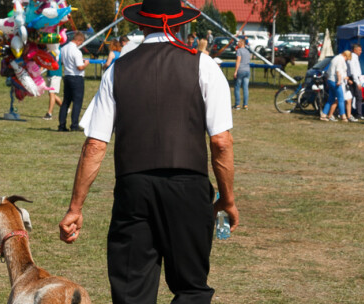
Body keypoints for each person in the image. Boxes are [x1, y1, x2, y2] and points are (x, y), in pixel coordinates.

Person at [58, 0, 238, 303]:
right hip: (188, 188)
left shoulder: (117, 69)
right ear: (180, 23)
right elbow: (221, 142)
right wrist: (227, 198)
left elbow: (95, 144)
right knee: (191, 288)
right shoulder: (204, 65)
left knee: (131, 291)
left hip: (134, 189)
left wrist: (75, 208)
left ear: (141, 24)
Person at [58, 31, 89, 132]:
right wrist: (86, 64)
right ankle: (74, 125)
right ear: (79, 40)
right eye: (81, 42)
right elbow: (79, 67)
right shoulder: (76, 51)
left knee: (66, 102)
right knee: (77, 102)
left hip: (67, 76)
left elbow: (62, 61)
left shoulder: (63, 49)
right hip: (76, 77)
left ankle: (62, 125)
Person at [320, 51, 352, 122]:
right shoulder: (340, 59)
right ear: (346, 56)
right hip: (335, 81)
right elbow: (338, 71)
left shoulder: (335, 58)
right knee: (341, 98)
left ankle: (323, 115)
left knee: (331, 99)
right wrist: (339, 81)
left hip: (330, 80)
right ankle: (343, 116)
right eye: (347, 59)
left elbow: (328, 71)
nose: (346, 60)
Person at [43, 52, 63, 120]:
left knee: (52, 93)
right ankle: (64, 108)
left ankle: (49, 114)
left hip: (56, 74)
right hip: (50, 73)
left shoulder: (57, 50)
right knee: (51, 94)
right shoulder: (49, 49)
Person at [234, 39, 251, 110]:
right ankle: (245, 105)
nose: (237, 44)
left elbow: (238, 61)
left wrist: (235, 71)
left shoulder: (239, 51)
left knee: (237, 87)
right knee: (245, 88)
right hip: (247, 70)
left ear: (241, 43)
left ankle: (237, 105)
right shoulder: (247, 51)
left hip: (241, 70)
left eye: (238, 43)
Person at [348, 44, 364, 120]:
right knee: (357, 96)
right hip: (353, 79)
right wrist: (357, 82)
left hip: (355, 78)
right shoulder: (352, 57)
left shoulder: (355, 57)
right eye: (359, 50)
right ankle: (357, 113)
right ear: (355, 50)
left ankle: (356, 113)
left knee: (355, 96)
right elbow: (353, 71)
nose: (361, 52)